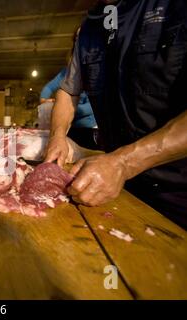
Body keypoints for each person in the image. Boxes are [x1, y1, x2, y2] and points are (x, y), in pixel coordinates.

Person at [44, 0, 187, 228]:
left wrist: (124, 163)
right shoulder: (90, 28)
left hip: (178, 187)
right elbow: (68, 91)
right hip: (119, 185)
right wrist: (58, 136)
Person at [40, 28, 98, 149]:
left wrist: (60, 106)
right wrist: (45, 101)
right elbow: (49, 89)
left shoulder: (97, 71)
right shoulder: (67, 72)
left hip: (91, 130)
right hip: (71, 128)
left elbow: (93, 106)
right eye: (77, 40)